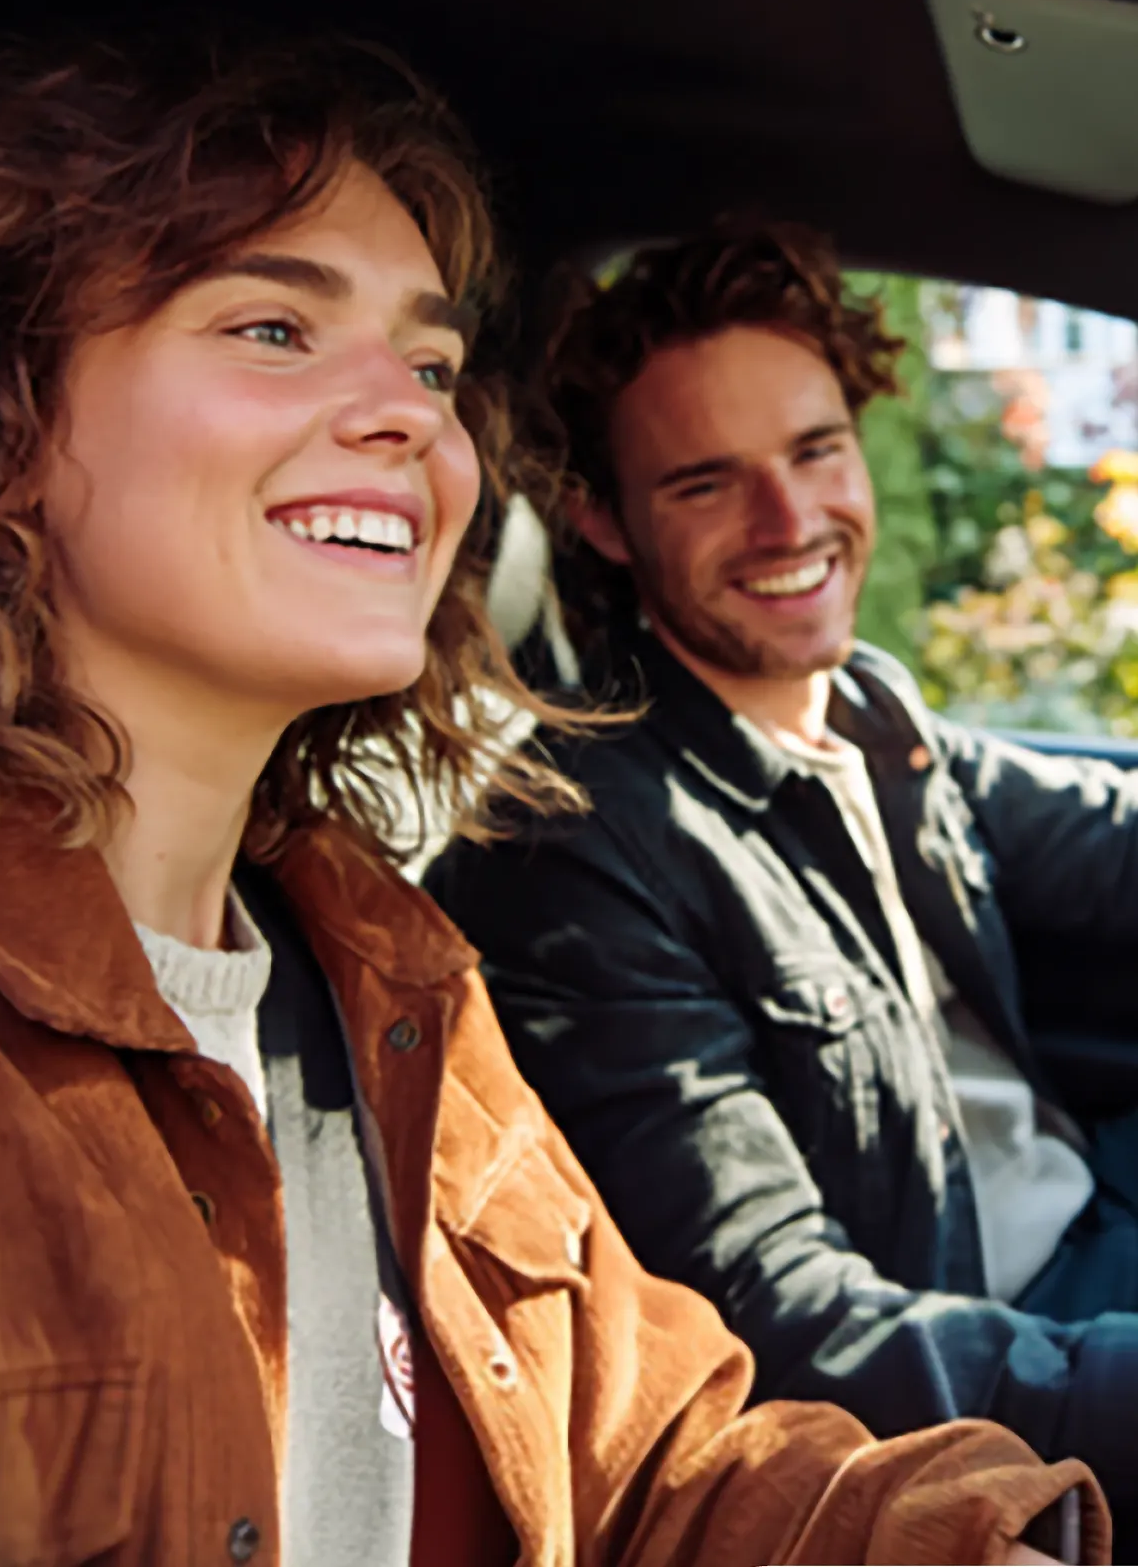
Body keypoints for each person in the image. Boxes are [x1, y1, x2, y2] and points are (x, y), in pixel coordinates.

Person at [0, 53, 1096, 1565]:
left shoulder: (380, 970)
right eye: (273, 328)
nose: (409, 423)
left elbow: (661, 1470)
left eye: (426, 364)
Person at [426, 215, 1138, 1532]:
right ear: (604, 521)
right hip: (1004, 1350)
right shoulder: (579, 849)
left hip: (1096, 1209)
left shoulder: (863, 705)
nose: (790, 517)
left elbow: (1107, 837)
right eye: (706, 482)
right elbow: (782, 1320)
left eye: (817, 450)